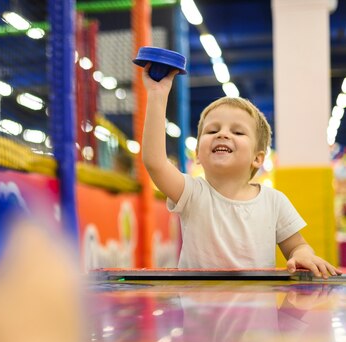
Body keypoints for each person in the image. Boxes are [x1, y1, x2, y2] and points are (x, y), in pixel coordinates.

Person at [141, 63, 340, 278]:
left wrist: (303, 254)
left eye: (237, 131)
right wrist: (157, 96)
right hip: (200, 308)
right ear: (198, 153)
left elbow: (297, 246)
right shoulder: (191, 192)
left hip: (257, 308)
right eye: (212, 130)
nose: (222, 134)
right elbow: (155, 162)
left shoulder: (274, 201)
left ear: (257, 158)